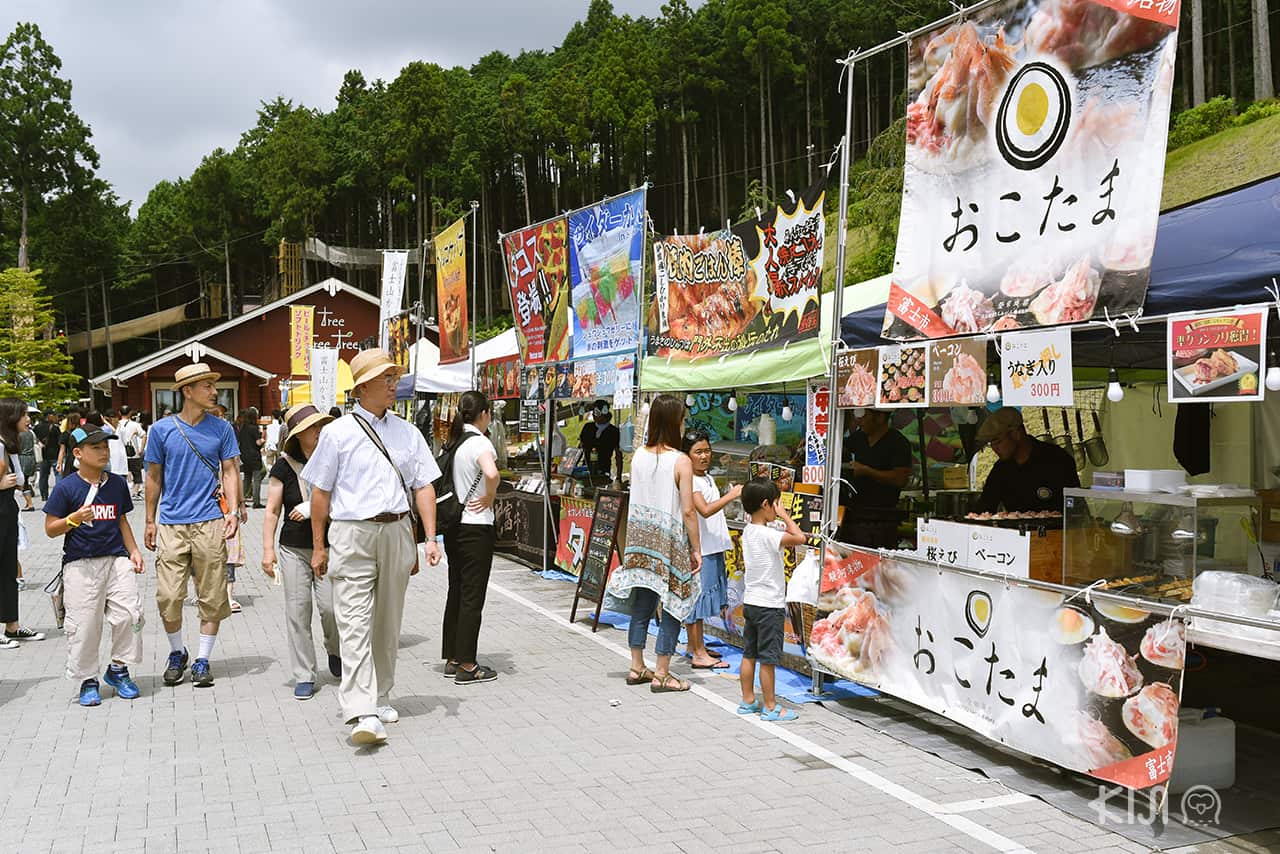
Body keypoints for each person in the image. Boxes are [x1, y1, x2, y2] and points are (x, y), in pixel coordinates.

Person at [304, 347, 442, 745]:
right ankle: (361, 710)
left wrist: (430, 539)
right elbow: (320, 494)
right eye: (386, 378)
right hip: (351, 533)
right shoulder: (336, 433)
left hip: (398, 531)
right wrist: (318, 547)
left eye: (394, 377)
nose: (393, 384)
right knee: (353, 620)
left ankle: (380, 696)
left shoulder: (408, 432)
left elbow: (424, 486)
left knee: (387, 621)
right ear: (362, 386)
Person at [144, 364, 242, 688]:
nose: (214, 391)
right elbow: (154, 477)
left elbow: (229, 471)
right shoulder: (161, 430)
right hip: (171, 522)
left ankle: (202, 659)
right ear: (188, 391)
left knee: (212, 593)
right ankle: (177, 652)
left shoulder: (222, 428)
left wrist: (233, 512)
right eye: (207, 386)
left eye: (214, 385)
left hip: (210, 521)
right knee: (168, 596)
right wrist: (149, 520)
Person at [605, 393, 701, 694]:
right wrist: (696, 548)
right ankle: (661, 672)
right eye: (683, 420)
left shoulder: (639, 458)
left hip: (639, 539)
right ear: (675, 423)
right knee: (673, 603)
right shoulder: (681, 461)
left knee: (643, 604)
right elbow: (687, 510)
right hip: (668, 542)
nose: (684, 425)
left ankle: (636, 666)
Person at [43, 425, 145, 706]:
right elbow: (50, 528)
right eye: (96, 447)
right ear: (78, 453)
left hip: (116, 559)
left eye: (105, 446)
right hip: (80, 564)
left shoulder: (116, 483)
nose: (103, 452)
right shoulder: (66, 488)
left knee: (130, 614)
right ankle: (88, 679)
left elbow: (121, 520)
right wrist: (73, 518)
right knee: (85, 625)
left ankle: (118, 669)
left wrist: (134, 550)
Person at [262, 403, 340, 700]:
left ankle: (335, 650)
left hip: (330, 546)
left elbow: (348, 498)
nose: (320, 432)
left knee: (331, 608)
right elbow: (271, 511)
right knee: (298, 611)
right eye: (313, 428)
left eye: (322, 426)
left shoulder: (334, 458)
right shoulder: (284, 465)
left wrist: (315, 508)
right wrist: (267, 550)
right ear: (299, 434)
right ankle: (304, 674)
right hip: (293, 548)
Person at [439, 390, 501, 685]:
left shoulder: (453, 442)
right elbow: (491, 472)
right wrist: (490, 497)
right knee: (472, 596)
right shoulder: (479, 441)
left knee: (457, 590)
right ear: (484, 414)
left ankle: (453, 656)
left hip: (453, 526)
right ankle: (467, 664)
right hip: (476, 526)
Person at [737, 478, 804, 722]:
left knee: (749, 653)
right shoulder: (769, 534)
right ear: (766, 504)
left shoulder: (749, 531)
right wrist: (785, 516)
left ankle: (747, 700)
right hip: (770, 605)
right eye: (775, 503)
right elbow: (799, 538)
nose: (777, 508)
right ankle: (771, 706)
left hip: (752, 601)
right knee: (768, 659)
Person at [682, 429, 740, 670]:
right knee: (698, 600)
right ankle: (697, 652)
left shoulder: (706, 477)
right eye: (698, 452)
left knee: (702, 599)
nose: (705, 456)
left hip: (712, 545)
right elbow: (704, 509)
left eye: (707, 450)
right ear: (688, 456)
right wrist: (732, 495)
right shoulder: (691, 480)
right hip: (701, 549)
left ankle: (694, 646)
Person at [975, 407, 1080, 513]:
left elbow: (1075, 508)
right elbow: (985, 507)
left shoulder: (1057, 460)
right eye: (991, 444)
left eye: (997, 442)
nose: (994, 448)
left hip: (1056, 529)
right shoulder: (1001, 469)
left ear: (1016, 434)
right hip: (1016, 529)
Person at [0, 398, 44, 648]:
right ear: (11, 417)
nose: (28, 419)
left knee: (8, 569)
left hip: (7, 507)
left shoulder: (9, 443)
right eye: (24, 415)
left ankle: (12, 626)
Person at [836, 409, 912, 548]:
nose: (860, 420)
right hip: (855, 516)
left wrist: (867, 471)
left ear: (880, 417)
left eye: (864, 416)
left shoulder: (898, 442)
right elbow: (839, 447)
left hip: (882, 520)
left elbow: (900, 478)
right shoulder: (859, 437)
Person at [579, 400, 622, 481]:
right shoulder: (588, 427)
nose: (594, 415)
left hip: (604, 471)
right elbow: (580, 448)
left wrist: (618, 477)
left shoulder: (613, 431)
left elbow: (618, 455)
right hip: (586, 471)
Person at [116, 406, 146, 500]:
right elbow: (144, 435)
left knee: (122, 474)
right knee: (137, 474)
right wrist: (141, 449)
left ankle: (122, 493)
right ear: (130, 413)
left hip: (120, 454)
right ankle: (135, 493)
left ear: (119, 413)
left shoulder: (116, 425)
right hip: (134, 453)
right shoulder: (135, 425)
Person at [238, 407, 265, 509]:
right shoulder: (254, 428)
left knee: (247, 478)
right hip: (254, 456)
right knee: (257, 479)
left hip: (244, 456)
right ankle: (256, 502)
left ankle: (242, 501)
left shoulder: (242, 427)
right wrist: (263, 439)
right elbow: (258, 442)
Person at [37, 411, 61, 501]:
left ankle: (44, 495)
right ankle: (59, 494)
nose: (56, 417)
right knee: (58, 475)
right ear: (49, 416)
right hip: (55, 454)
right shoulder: (55, 428)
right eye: (54, 416)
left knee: (43, 476)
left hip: (43, 455)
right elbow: (60, 441)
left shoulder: (37, 427)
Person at [18, 414, 36, 511]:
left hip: (23, 458)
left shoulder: (19, 434)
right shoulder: (30, 433)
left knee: (23, 481)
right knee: (25, 480)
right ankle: (28, 501)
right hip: (31, 458)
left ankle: (30, 503)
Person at [56, 410, 81, 481]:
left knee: (69, 481)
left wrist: (59, 463)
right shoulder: (82, 432)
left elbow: (62, 450)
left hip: (70, 460)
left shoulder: (66, 434)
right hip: (82, 459)